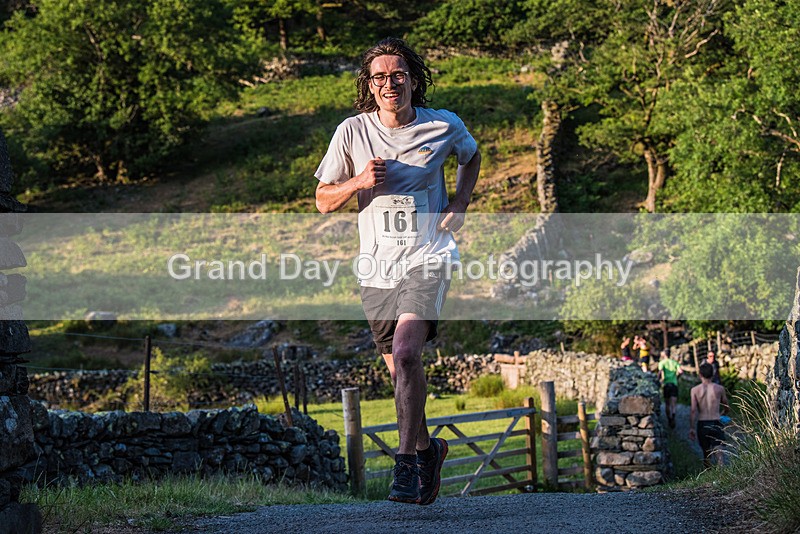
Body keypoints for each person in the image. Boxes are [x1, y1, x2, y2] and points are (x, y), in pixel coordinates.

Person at [314, 37, 481, 505]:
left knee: (408, 353)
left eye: (399, 74)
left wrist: (461, 202)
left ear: (413, 79)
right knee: (400, 373)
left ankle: (406, 465)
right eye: (381, 76)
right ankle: (428, 450)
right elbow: (324, 201)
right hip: (376, 269)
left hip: (429, 256)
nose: (391, 83)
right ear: (370, 85)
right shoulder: (351, 131)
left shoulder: (443, 125)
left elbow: (472, 157)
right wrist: (358, 182)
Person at [689, 362, 729, 468]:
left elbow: (693, 410)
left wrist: (692, 428)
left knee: (706, 453)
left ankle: (709, 475)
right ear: (713, 373)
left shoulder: (694, 390)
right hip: (716, 421)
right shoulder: (719, 389)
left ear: (700, 374)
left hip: (702, 423)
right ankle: (722, 473)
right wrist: (722, 414)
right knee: (719, 452)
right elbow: (726, 406)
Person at [657, 348, 682, 429]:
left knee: (667, 404)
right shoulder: (675, 362)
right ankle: (673, 415)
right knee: (673, 404)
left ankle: (669, 419)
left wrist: (658, 380)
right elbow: (681, 371)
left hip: (666, 384)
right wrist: (677, 377)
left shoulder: (662, 363)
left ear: (664, 354)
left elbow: (660, 372)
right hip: (674, 384)